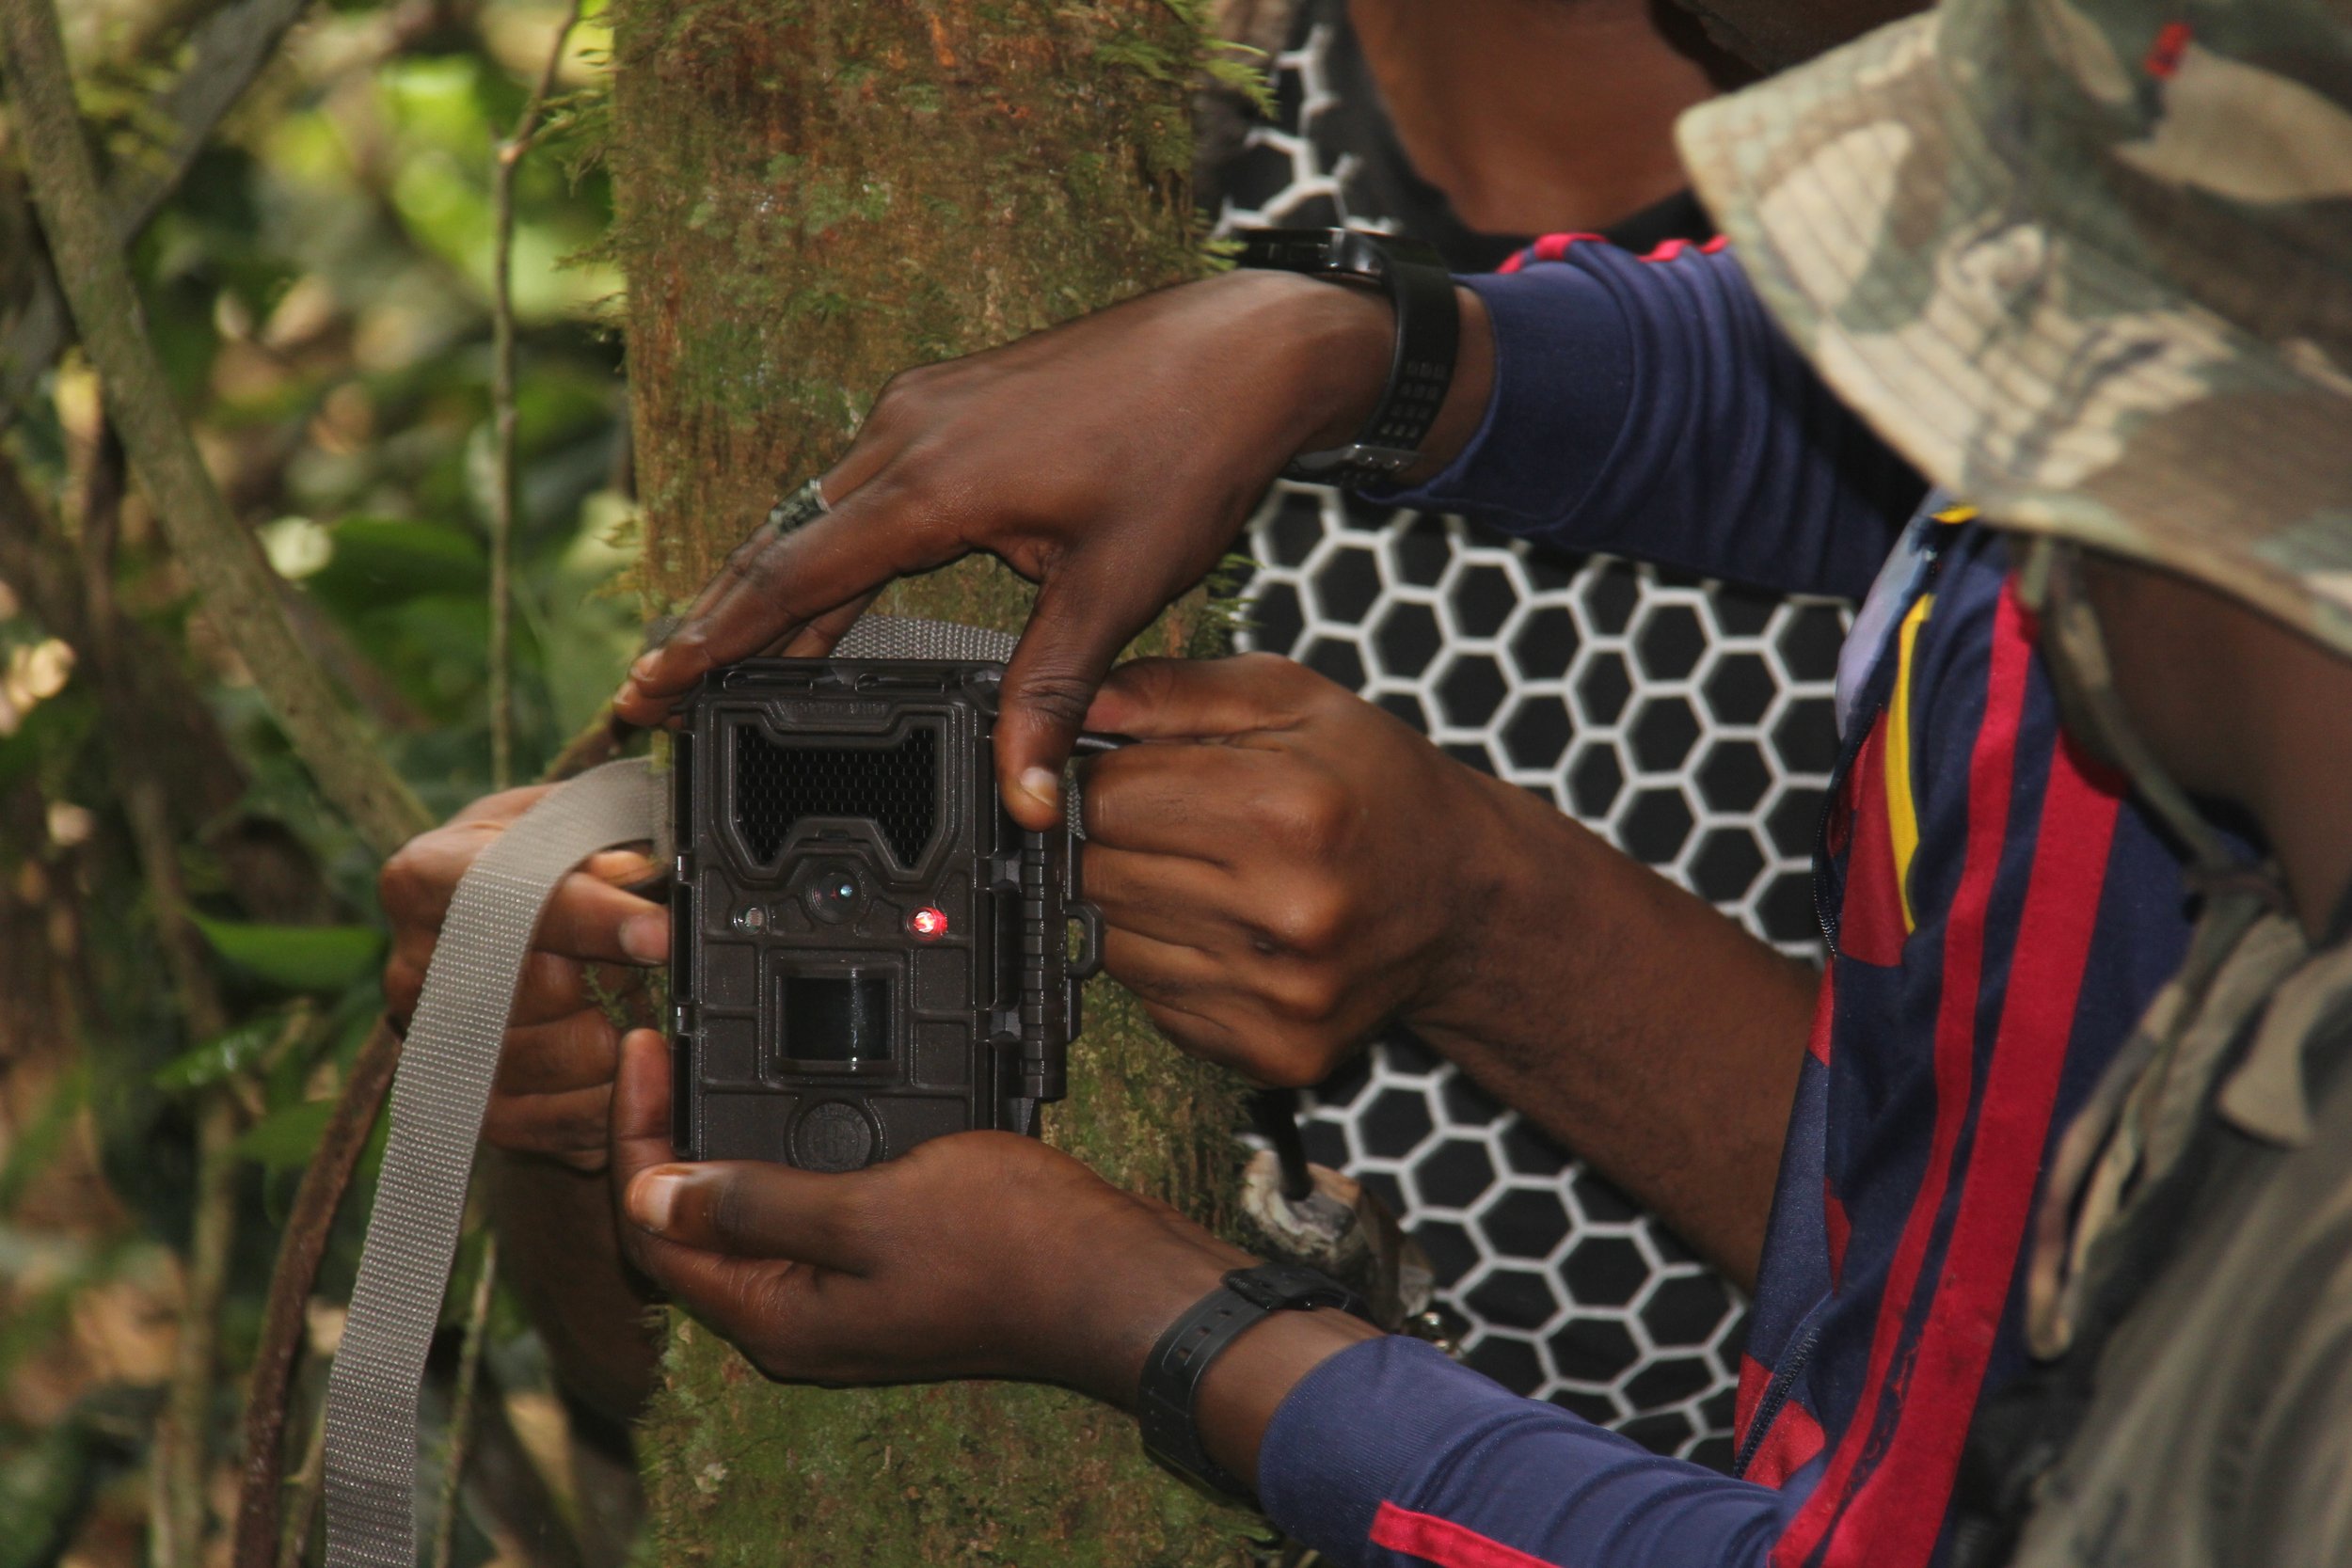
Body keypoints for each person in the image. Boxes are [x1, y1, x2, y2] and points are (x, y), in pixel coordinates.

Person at [377, 2, 2284, 1567]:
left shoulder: (2100, 494)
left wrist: (1481, 944)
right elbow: (689, 1382)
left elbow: (2031, 1391)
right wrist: (589, 1085)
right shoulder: (1126, 186)